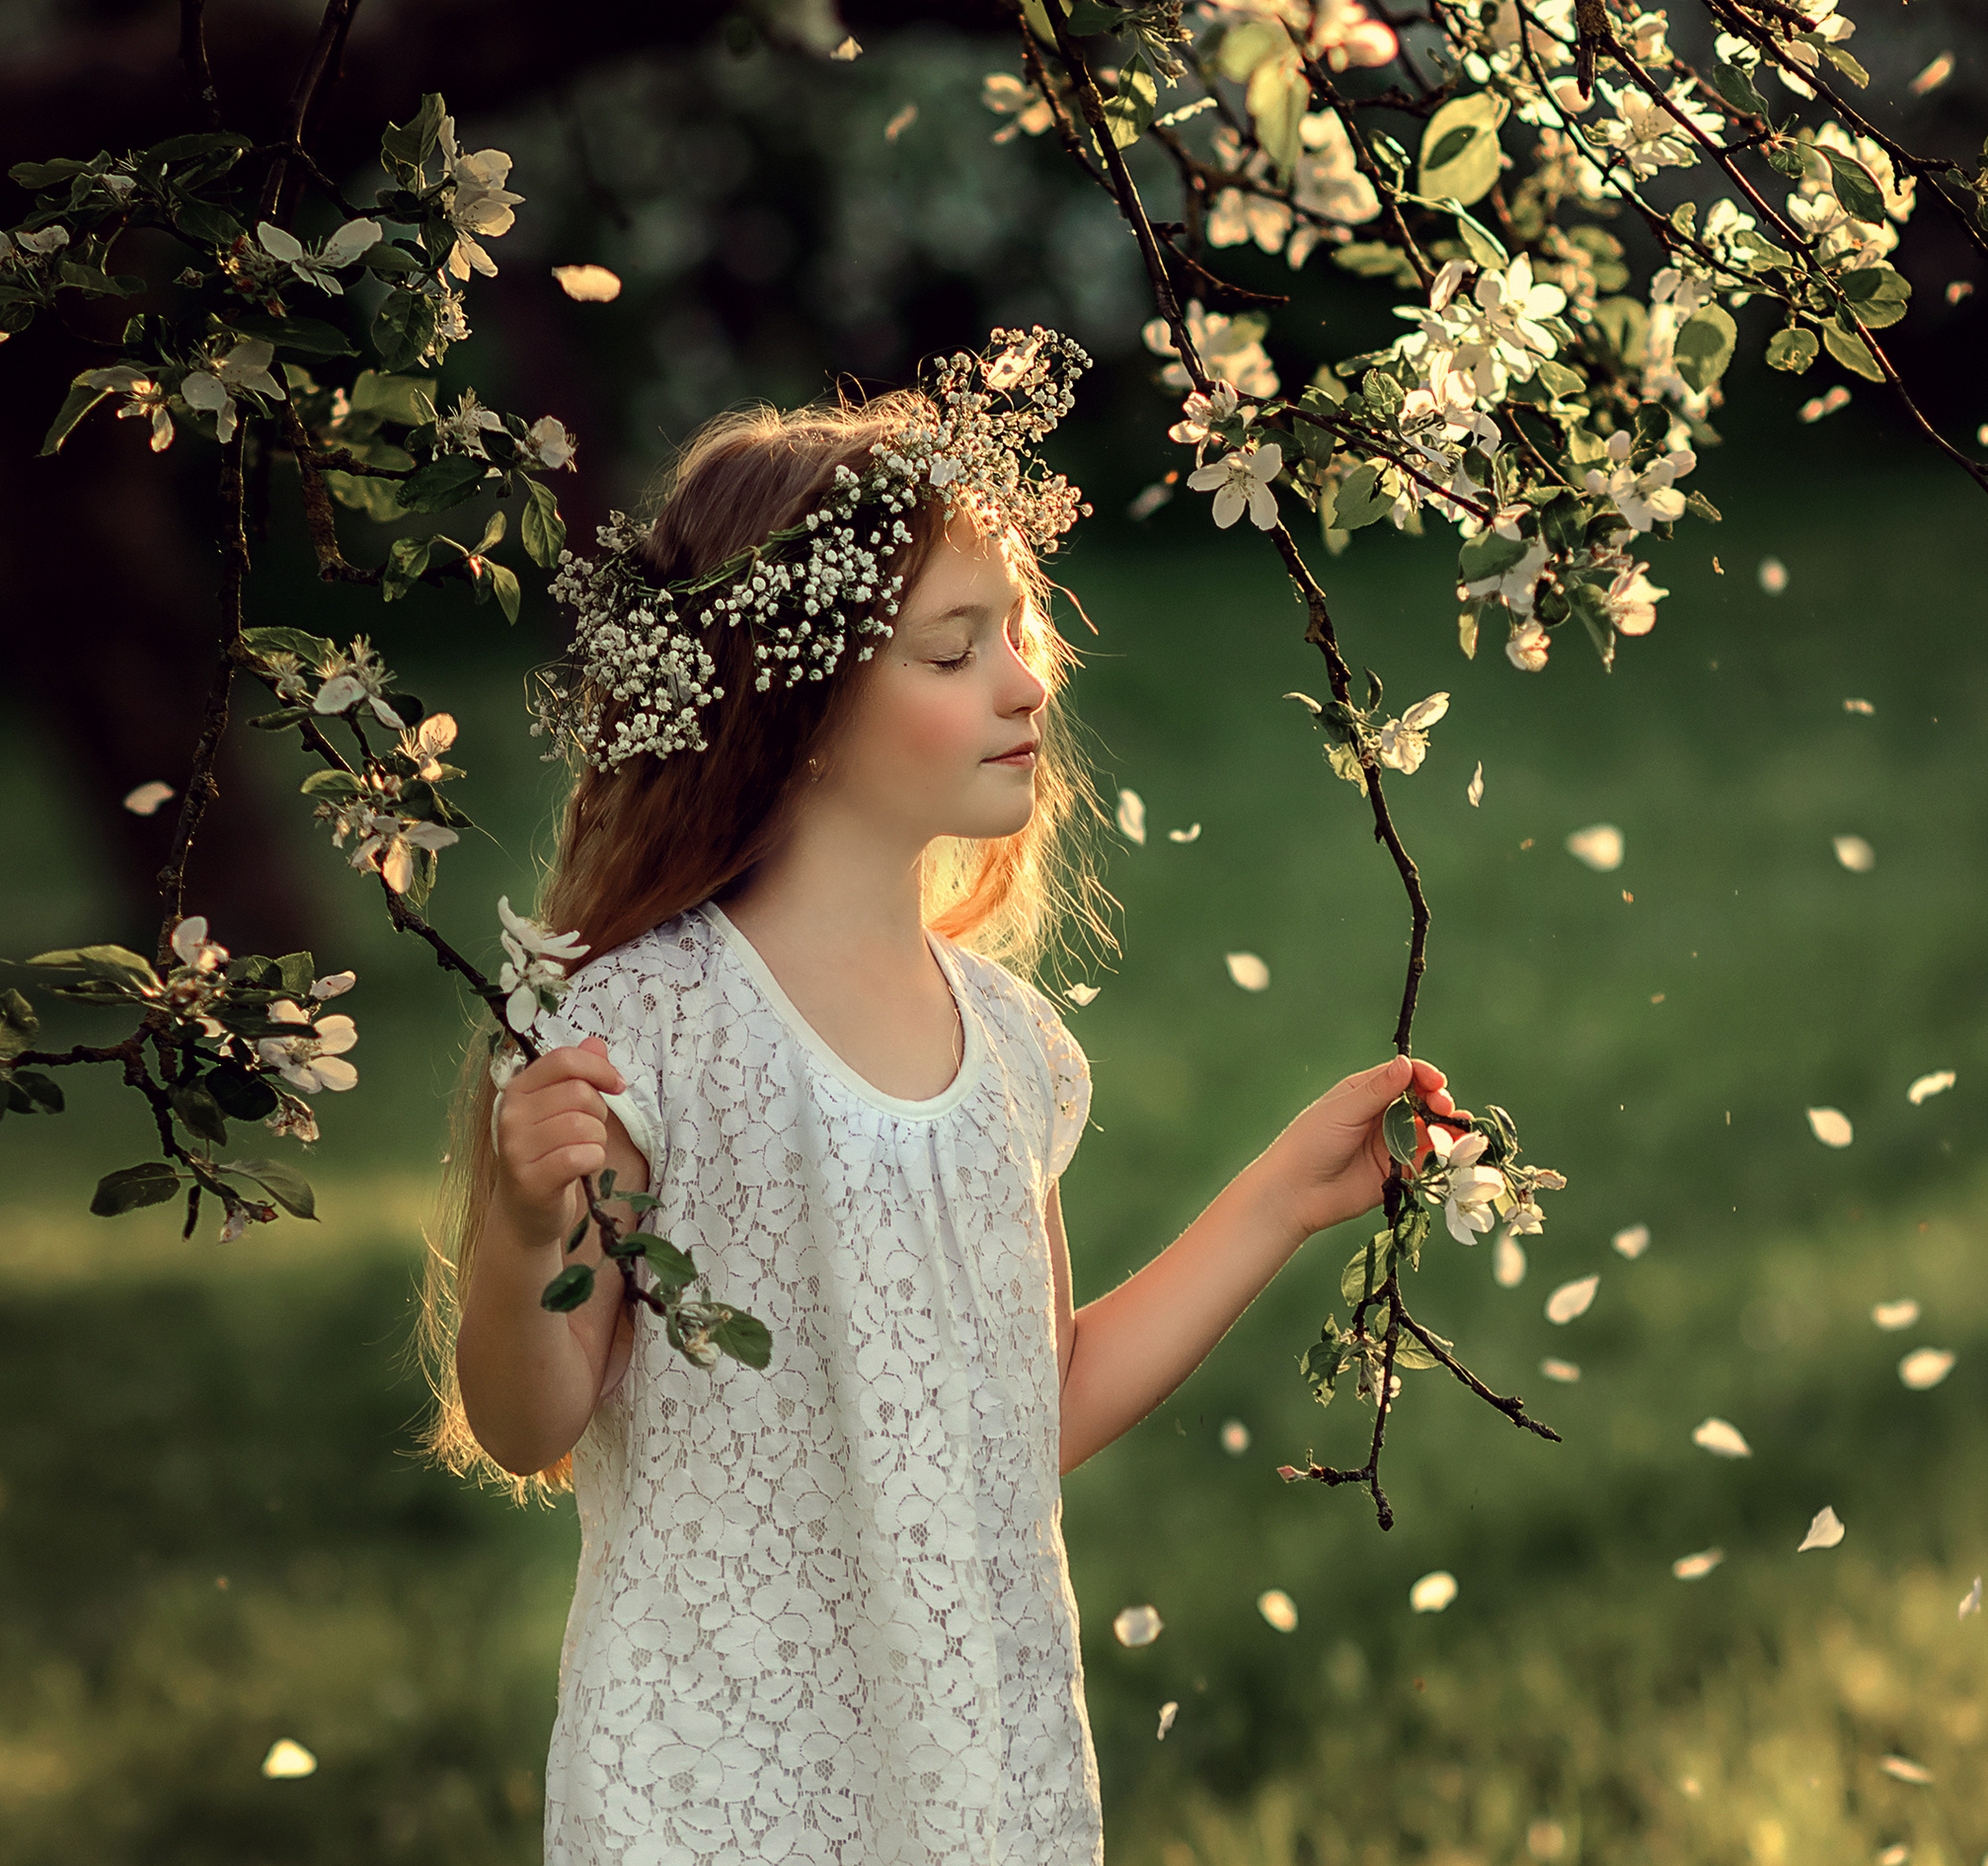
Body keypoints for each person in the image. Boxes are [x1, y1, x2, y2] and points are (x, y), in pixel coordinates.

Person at [411, 328, 1457, 1864]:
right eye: (955, 648)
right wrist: (515, 1229)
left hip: (972, 1775)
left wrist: (1289, 1193)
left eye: (1019, 631)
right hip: (711, 1785)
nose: (1026, 679)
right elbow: (527, 1418)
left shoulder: (1009, 1046)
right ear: (805, 702)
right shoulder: (644, 1030)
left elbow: (1027, 1410)